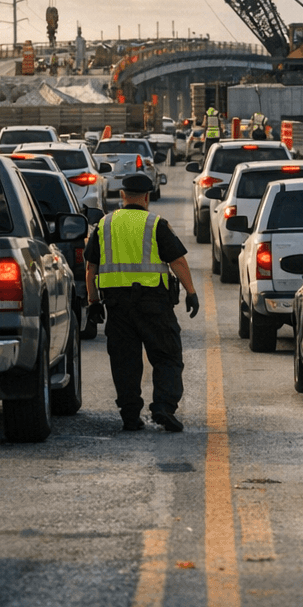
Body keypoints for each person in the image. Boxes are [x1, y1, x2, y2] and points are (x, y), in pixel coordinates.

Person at [84, 172, 200, 431]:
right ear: (147, 197)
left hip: (116, 306)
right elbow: (177, 261)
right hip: (153, 304)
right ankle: (163, 407)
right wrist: (190, 292)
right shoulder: (155, 224)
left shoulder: (104, 225)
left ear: (122, 196)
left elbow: (91, 267)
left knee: (125, 361)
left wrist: (93, 301)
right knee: (167, 355)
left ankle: (129, 415)